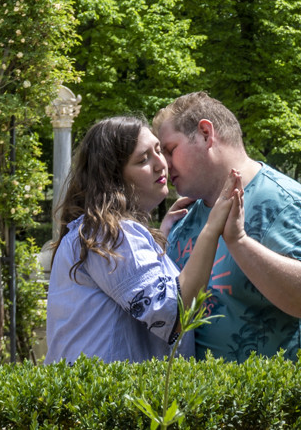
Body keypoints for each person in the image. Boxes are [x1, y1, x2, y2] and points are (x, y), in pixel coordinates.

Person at [153, 92, 301, 361]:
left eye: (170, 150)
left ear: (205, 133)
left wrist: (239, 241)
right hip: (195, 398)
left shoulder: (284, 202)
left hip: (276, 400)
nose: (164, 165)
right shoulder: (185, 215)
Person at [45, 113, 240, 363]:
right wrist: (212, 229)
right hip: (112, 400)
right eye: (143, 160)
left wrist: (159, 235)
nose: (161, 164)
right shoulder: (108, 232)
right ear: (114, 178)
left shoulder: (94, 230)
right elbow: (174, 314)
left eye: (159, 150)